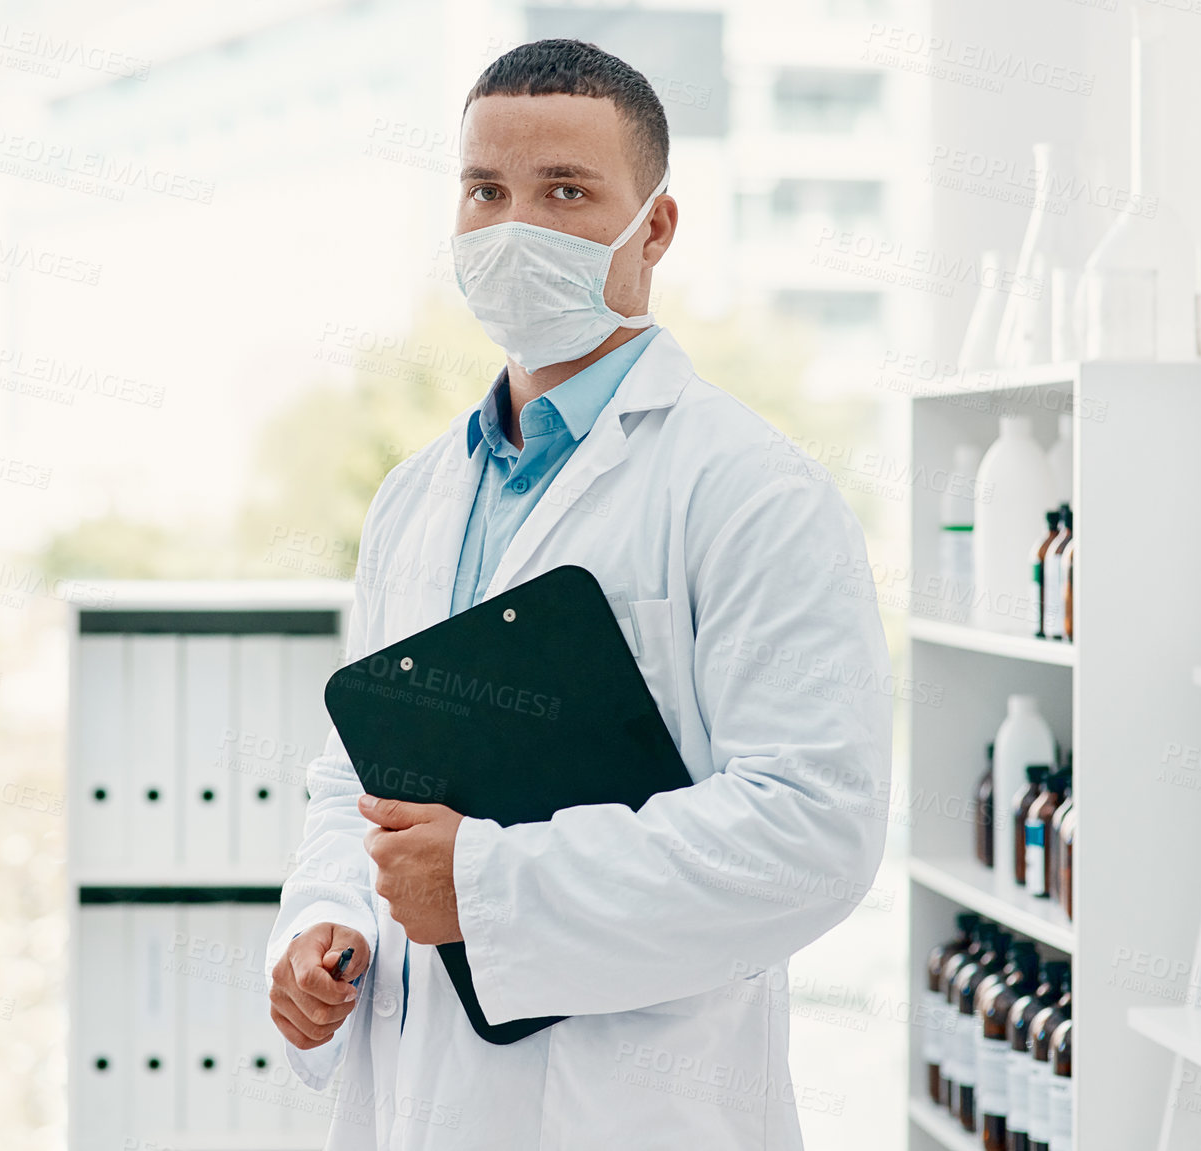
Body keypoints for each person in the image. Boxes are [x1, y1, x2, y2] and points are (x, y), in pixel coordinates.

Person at [264, 38, 891, 1149]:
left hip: (634, 1104)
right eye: (484, 191)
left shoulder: (753, 492)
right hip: (420, 1096)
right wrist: (328, 921)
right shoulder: (415, 497)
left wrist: (491, 885)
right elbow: (352, 777)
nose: (515, 228)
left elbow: (812, 829)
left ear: (652, 227)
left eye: (564, 191)